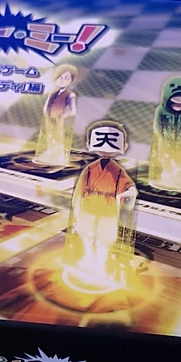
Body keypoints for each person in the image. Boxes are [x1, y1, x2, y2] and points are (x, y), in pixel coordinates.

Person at [63, 120, 137, 290]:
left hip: (108, 210)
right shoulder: (90, 169)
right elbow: (79, 189)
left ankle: (102, 265)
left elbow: (128, 186)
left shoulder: (118, 171)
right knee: (86, 235)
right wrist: (76, 206)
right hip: (88, 208)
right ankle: (87, 259)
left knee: (105, 239)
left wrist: (128, 193)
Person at [148, 75, 181, 191]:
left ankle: (179, 178)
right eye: (175, 98)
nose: (179, 101)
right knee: (164, 158)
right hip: (165, 140)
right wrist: (160, 135)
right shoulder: (160, 110)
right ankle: (165, 176)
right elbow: (157, 124)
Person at [35, 64, 78, 166]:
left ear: (72, 80)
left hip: (60, 119)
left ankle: (59, 156)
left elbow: (73, 111)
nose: (62, 80)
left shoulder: (70, 95)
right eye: (59, 77)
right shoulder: (52, 92)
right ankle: (50, 153)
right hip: (49, 118)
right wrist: (46, 113)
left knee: (59, 137)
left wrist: (63, 116)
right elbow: (46, 105)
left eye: (66, 78)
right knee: (49, 136)